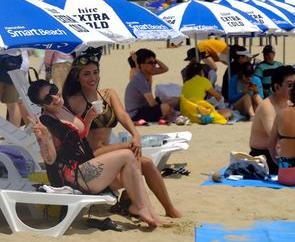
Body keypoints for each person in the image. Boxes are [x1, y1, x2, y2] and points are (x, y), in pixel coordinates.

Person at [27, 80, 161, 227]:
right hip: (72, 178)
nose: (54, 97)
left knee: (136, 165)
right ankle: (139, 207)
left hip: (86, 170)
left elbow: (79, 134)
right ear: (41, 105)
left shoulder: (62, 108)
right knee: (127, 155)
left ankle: (150, 212)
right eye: (47, 98)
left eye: (53, 90)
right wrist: (45, 138)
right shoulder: (46, 122)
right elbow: (50, 159)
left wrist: (89, 118)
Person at [63, 55, 182, 218]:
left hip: (109, 153)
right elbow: (72, 134)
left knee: (146, 162)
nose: (92, 78)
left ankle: (168, 209)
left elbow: (123, 115)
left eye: (95, 72)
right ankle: (130, 201)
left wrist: (136, 134)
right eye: (86, 74)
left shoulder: (108, 94)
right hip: (92, 157)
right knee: (132, 150)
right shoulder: (73, 101)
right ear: (77, 77)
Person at [249, 65, 295, 174]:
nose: (294, 88)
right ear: (277, 87)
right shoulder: (267, 106)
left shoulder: (289, 104)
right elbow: (275, 137)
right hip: (263, 156)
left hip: (280, 151)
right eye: (290, 85)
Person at [125, 48, 177, 123]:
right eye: (151, 63)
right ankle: (168, 115)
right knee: (165, 107)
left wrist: (154, 59)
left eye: (154, 63)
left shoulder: (148, 73)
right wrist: (166, 107)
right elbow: (152, 103)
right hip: (135, 113)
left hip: (144, 106)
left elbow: (165, 69)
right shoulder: (139, 78)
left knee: (174, 100)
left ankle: (167, 113)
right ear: (142, 65)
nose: (154, 65)